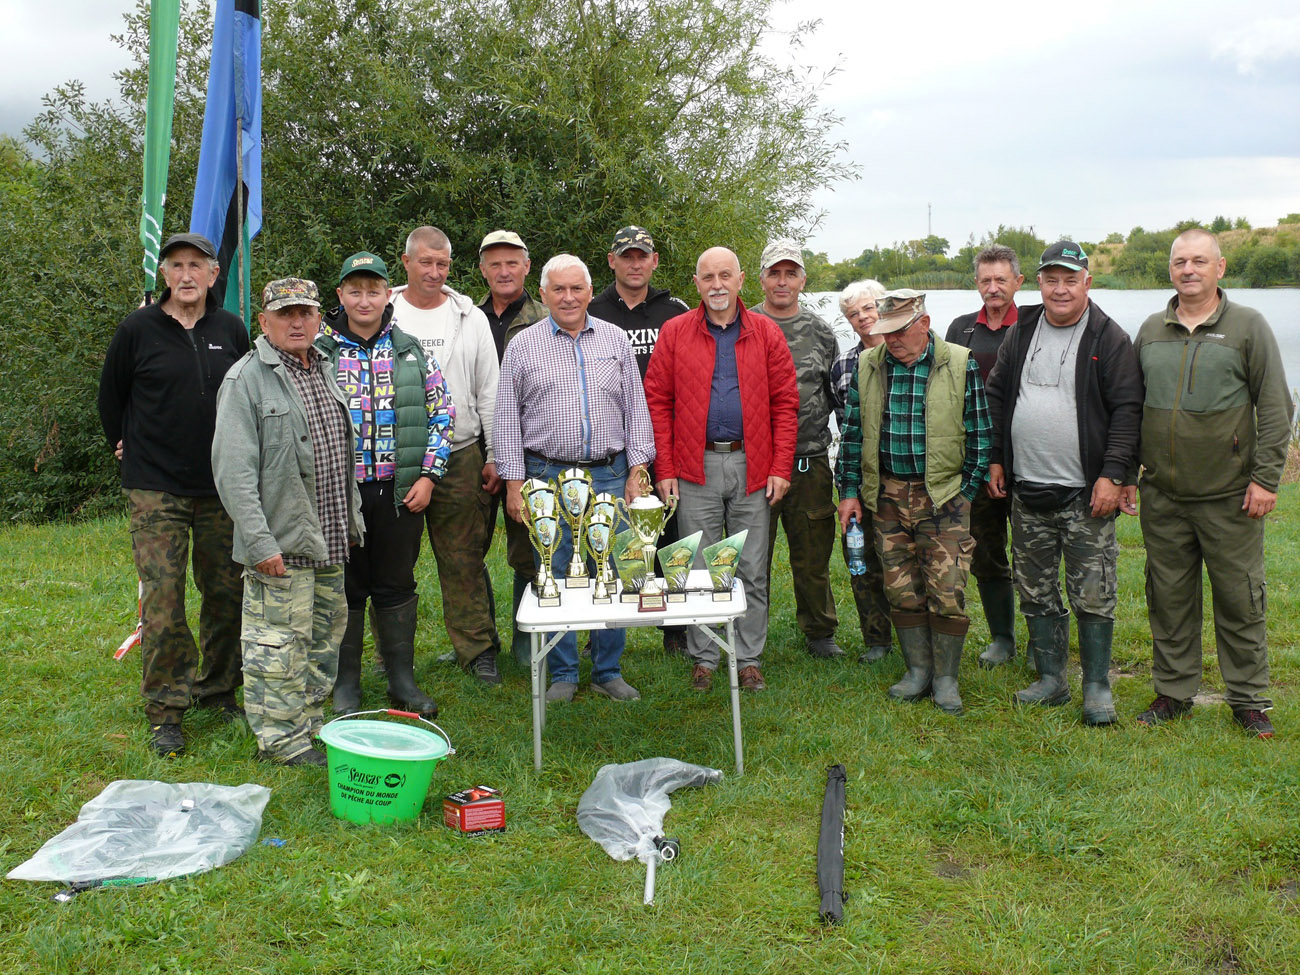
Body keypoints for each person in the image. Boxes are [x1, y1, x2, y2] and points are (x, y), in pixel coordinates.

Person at [1133, 228, 1295, 738]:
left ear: (1219, 268)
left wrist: (1265, 479)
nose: (1189, 270)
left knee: (1239, 599)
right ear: (1171, 269)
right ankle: (1173, 691)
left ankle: (1248, 699)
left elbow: (1275, 407)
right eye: (1180, 261)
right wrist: (1126, 475)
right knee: (1169, 598)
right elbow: (1128, 409)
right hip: (1163, 496)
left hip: (1231, 497)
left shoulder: (1248, 326)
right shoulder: (1150, 330)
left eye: (1199, 261)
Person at [97, 232, 249, 758]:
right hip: (155, 485)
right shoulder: (137, 329)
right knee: (162, 600)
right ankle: (166, 707)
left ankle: (220, 689)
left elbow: (247, 393)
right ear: (164, 274)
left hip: (220, 486)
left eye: (197, 265)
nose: (187, 275)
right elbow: (111, 398)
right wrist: (124, 442)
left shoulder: (231, 328)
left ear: (212, 275)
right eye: (176, 265)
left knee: (227, 592)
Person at [984, 241, 1142, 726]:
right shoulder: (1023, 329)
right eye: (1051, 279)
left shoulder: (1107, 337)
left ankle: (1096, 686)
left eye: (1069, 279)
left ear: (1086, 283)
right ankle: (1051, 679)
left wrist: (1113, 475)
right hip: (1027, 490)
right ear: (1038, 283)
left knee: (1093, 592)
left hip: (1085, 494)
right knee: (1035, 589)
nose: (1060, 288)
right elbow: (995, 392)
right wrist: (994, 457)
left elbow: (1127, 411)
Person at [213, 278, 364, 766]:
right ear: (264, 322)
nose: (297, 322)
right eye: (285, 314)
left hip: (330, 536)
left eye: (305, 312)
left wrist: (353, 520)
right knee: (276, 647)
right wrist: (260, 544)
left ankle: (309, 724)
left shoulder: (326, 368)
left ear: (320, 318)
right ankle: (279, 741)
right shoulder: (245, 380)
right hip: (279, 543)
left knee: (322, 641)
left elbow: (341, 454)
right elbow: (233, 474)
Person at [494, 254, 656, 702]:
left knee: (613, 570)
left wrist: (638, 468)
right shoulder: (523, 345)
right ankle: (563, 672)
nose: (568, 298)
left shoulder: (615, 340)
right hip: (546, 475)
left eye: (577, 289)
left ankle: (608, 670)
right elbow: (506, 419)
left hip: (610, 472)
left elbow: (635, 408)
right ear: (543, 294)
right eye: (558, 290)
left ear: (589, 291)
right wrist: (513, 483)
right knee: (556, 572)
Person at [643, 246, 799, 693]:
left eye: (725, 275)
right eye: (708, 276)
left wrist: (780, 466)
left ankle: (748, 658)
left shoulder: (766, 333)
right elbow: (658, 401)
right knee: (700, 566)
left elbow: (786, 403)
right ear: (697, 283)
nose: (717, 285)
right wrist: (666, 467)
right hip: (696, 464)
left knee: (749, 566)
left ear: (740, 279)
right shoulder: (674, 332)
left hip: (754, 463)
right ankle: (706, 657)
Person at [835, 290, 990, 716]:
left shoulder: (959, 362)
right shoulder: (869, 366)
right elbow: (852, 434)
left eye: (901, 331)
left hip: (943, 496)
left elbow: (980, 434)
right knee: (899, 585)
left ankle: (946, 679)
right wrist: (849, 491)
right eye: (886, 332)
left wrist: (965, 493)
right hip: (885, 495)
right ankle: (918, 671)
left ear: (924, 323)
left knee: (948, 589)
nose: (892, 340)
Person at [315, 252, 454, 717]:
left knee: (396, 584)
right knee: (347, 587)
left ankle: (402, 680)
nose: (364, 299)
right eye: (354, 290)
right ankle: (346, 683)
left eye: (373, 290)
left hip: (399, 492)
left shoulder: (410, 350)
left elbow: (442, 414)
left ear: (386, 294)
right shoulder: (319, 352)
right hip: (340, 495)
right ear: (340, 296)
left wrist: (430, 476)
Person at [390, 226, 504, 685]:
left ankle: (477, 651)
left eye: (442, 264)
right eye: (425, 263)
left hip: (459, 454)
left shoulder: (468, 318)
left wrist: (494, 453)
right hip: (394, 458)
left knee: (463, 558)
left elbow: (490, 389)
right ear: (406, 263)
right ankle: (392, 656)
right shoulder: (383, 311)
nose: (434, 272)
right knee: (392, 562)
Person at [588, 225, 690, 655]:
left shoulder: (677, 311)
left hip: (668, 436)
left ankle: (676, 631)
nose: (634, 263)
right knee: (606, 536)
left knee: (671, 532)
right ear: (612, 260)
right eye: (626, 255)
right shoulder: (592, 310)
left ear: (654, 261)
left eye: (642, 256)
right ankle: (602, 629)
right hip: (612, 440)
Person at [752, 239, 843, 659]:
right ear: (762, 278)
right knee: (751, 555)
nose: (783, 281)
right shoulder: (743, 325)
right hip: (754, 463)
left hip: (810, 461)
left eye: (791, 273)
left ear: (803, 279)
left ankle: (820, 632)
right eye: (775, 273)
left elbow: (838, 397)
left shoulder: (822, 332)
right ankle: (749, 630)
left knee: (812, 554)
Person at [945, 244, 1024, 668]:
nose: (993, 288)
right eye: (985, 280)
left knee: (1033, 555)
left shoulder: (1033, 325)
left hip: (1026, 459)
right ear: (976, 283)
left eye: (1001, 280)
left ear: (1018, 282)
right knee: (987, 550)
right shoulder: (960, 330)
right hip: (975, 461)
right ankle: (1003, 638)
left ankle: (1045, 638)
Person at [478, 230, 548, 666]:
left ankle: (530, 636)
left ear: (526, 266)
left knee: (531, 548)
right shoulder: (466, 316)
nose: (503, 271)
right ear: (483, 270)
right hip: (471, 448)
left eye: (512, 263)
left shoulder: (546, 316)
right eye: (494, 264)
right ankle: (477, 643)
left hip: (532, 449)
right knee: (465, 551)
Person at [830, 279, 893, 663]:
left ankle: (917, 636)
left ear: (883, 307)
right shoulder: (842, 365)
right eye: (853, 314)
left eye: (868, 308)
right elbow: (844, 427)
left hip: (904, 474)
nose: (863, 318)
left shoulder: (908, 353)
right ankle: (876, 641)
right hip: (856, 474)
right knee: (860, 558)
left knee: (905, 562)